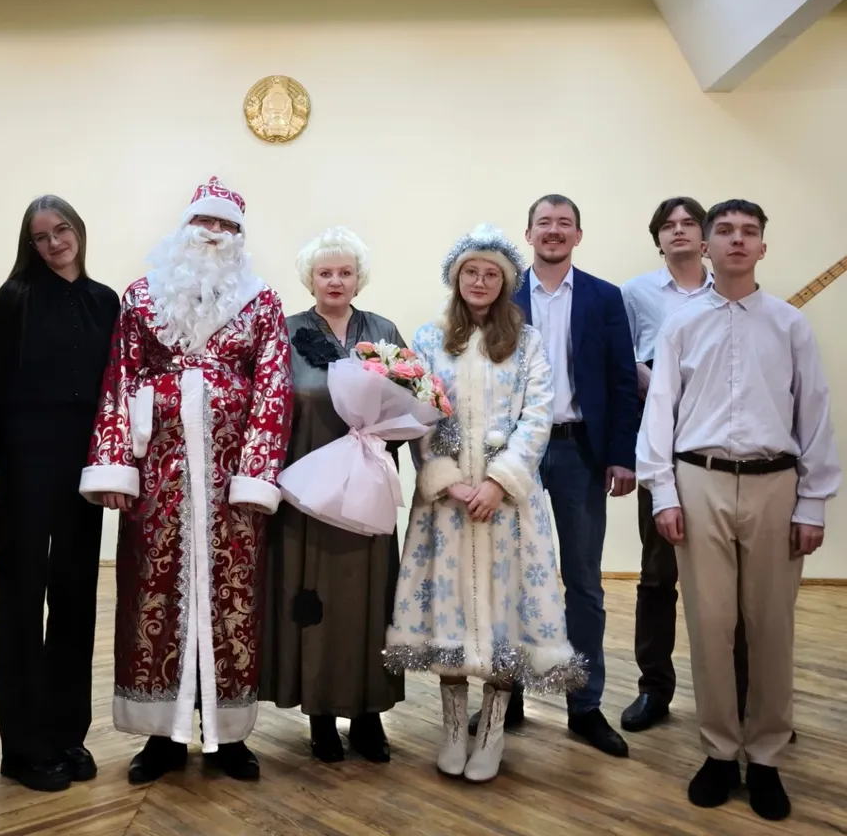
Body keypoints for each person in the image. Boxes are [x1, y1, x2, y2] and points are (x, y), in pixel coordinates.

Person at [80, 177, 292, 784]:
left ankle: (228, 736)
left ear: (239, 237)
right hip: (159, 475)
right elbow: (119, 379)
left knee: (232, 599)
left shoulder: (261, 301)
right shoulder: (141, 297)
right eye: (205, 222)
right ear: (185, 228)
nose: (214, 234)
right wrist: (116, 466)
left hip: (231, 480)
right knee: (152, 591)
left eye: (226, 226)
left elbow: (274, 390)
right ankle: (160, 736)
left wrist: (256, 475)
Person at [637, 200, 839, 820]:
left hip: (776, 486)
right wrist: (664, 493)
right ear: (707, 245)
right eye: (724, 231)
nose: (737, 240)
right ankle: (720, 750)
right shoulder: (680, 325)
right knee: (710, 624)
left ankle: (768, 754)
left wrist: (813, 502)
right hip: (699, 482)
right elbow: (660, 412)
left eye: (749, 232)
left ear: (762, 248)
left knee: (772, 626)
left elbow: (814, 412)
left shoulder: (789, 325)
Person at [385, 225, 585, 783]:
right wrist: (447, 479)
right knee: (448, 612)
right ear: (456, 279)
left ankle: (493, 731)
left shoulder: (527, 342)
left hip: (507, 505)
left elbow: (538, 416)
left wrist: (499, 482)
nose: (479, 281)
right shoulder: (429, 339)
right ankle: (454, 729)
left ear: (505, 283)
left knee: (505, 617)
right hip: (447, 507)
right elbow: (420, 411)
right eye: (470, 272)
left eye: (490, 274)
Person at [477, 195, 638, 756]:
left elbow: (622, 381)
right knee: (510, 576)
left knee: (584, 582)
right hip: (513, 453)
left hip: (578, 451)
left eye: (563, 223)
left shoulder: (604, 297)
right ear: (528, 233)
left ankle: (584, 705)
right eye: (543, 222)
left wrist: (622, 454)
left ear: (578, 235)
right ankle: (507, 695)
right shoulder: (502, 294)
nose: (553, 230)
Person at [0, 196, 120, 792]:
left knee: (75, 594)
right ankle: (23, 747)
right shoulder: (13, 299)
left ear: (78, 231)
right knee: (21, 598)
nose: (54, 243)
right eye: (40, 237)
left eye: (62, 230)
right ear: (29, 245)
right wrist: (7, 457)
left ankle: (68, 733)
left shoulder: (105, 301)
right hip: (27, 461)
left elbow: (116, 388)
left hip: (84, 464)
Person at [261, 227, 404, 765]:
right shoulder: (286, 331)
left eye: (345, 272)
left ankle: (369, 715)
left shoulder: (383, 331)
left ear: (359, 278)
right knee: (313, 600)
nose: (335, 281)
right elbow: (272, 407)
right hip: (308, 491)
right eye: (325, 273)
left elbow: (412, 401)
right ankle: (320, 715)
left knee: (368, 600)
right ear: (310, 279)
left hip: (367, 490)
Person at [620, 197, 724, 732]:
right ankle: (654, 689)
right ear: (657, 239)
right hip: (660, 443)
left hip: (720, 449)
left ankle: (736, 697)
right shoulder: (635, 293)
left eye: (689, 223)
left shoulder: (729, 290)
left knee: (728, 583)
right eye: (668, 225)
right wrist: (645, 376)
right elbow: (619, 360)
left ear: (705, 237)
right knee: (658, 575)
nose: (678, 230)